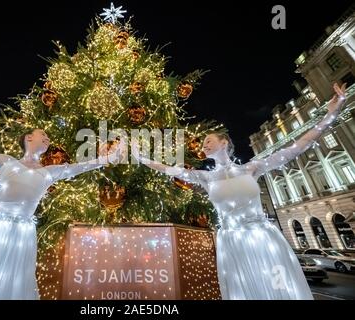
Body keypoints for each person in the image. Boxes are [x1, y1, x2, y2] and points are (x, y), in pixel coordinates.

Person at [132, 83, 346, 299]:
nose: (203, 146)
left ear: (224, 143)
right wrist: (140, 158)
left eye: (208, 141)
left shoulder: (251, 168)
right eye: (203, 143)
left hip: (264, 241)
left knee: (278, 289)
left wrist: (331, 113)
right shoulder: (206, 177)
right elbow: (169, 169)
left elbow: (298, 146)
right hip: (232, 244)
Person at [0, 110, 118, 299]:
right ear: (28, 138)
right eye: (43, 134)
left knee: (10, 278)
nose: (47, 138)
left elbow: (77, 168)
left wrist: (103, 160)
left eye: (48, 137)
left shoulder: (49, 172)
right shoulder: (6, 162)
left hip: (21, 235)